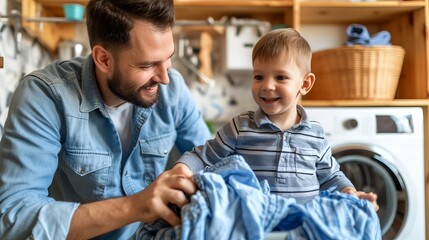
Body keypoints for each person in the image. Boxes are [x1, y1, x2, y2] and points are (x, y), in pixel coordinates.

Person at [0, 0, 211, 239]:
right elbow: (14, 216)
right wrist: (135, 206)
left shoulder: (173, 91)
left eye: (168, 58)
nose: (165, 78)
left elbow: (211, 160)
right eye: (148, 64)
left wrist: (189, 169)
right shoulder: (45, 95)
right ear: (103, 59)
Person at [176, 28, 379, 210]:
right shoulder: (240, 127)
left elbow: (331, 177)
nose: (267, 86)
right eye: (258, 77)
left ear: (305, 84)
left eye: (280, 77)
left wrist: (351, 192)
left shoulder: (315, 135)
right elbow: (202, 157)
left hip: (301, 229)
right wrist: (181, 169)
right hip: (255, 227)